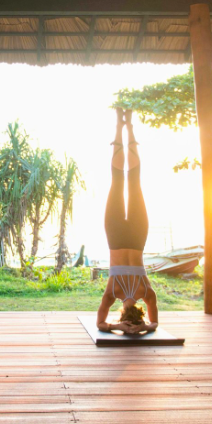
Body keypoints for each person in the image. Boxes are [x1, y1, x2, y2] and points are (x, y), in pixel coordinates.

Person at [96, 108, 158, 336]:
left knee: (133, 182)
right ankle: (118, 126)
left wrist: (144, 327)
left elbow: (154, 323)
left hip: (138, 236)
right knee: (117, 181)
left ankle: (128, 127)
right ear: (121, 314)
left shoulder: (146, 293)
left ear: (140, 313)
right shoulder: (113, 293)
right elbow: (101, 324)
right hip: (115, 236)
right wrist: (117, 327)